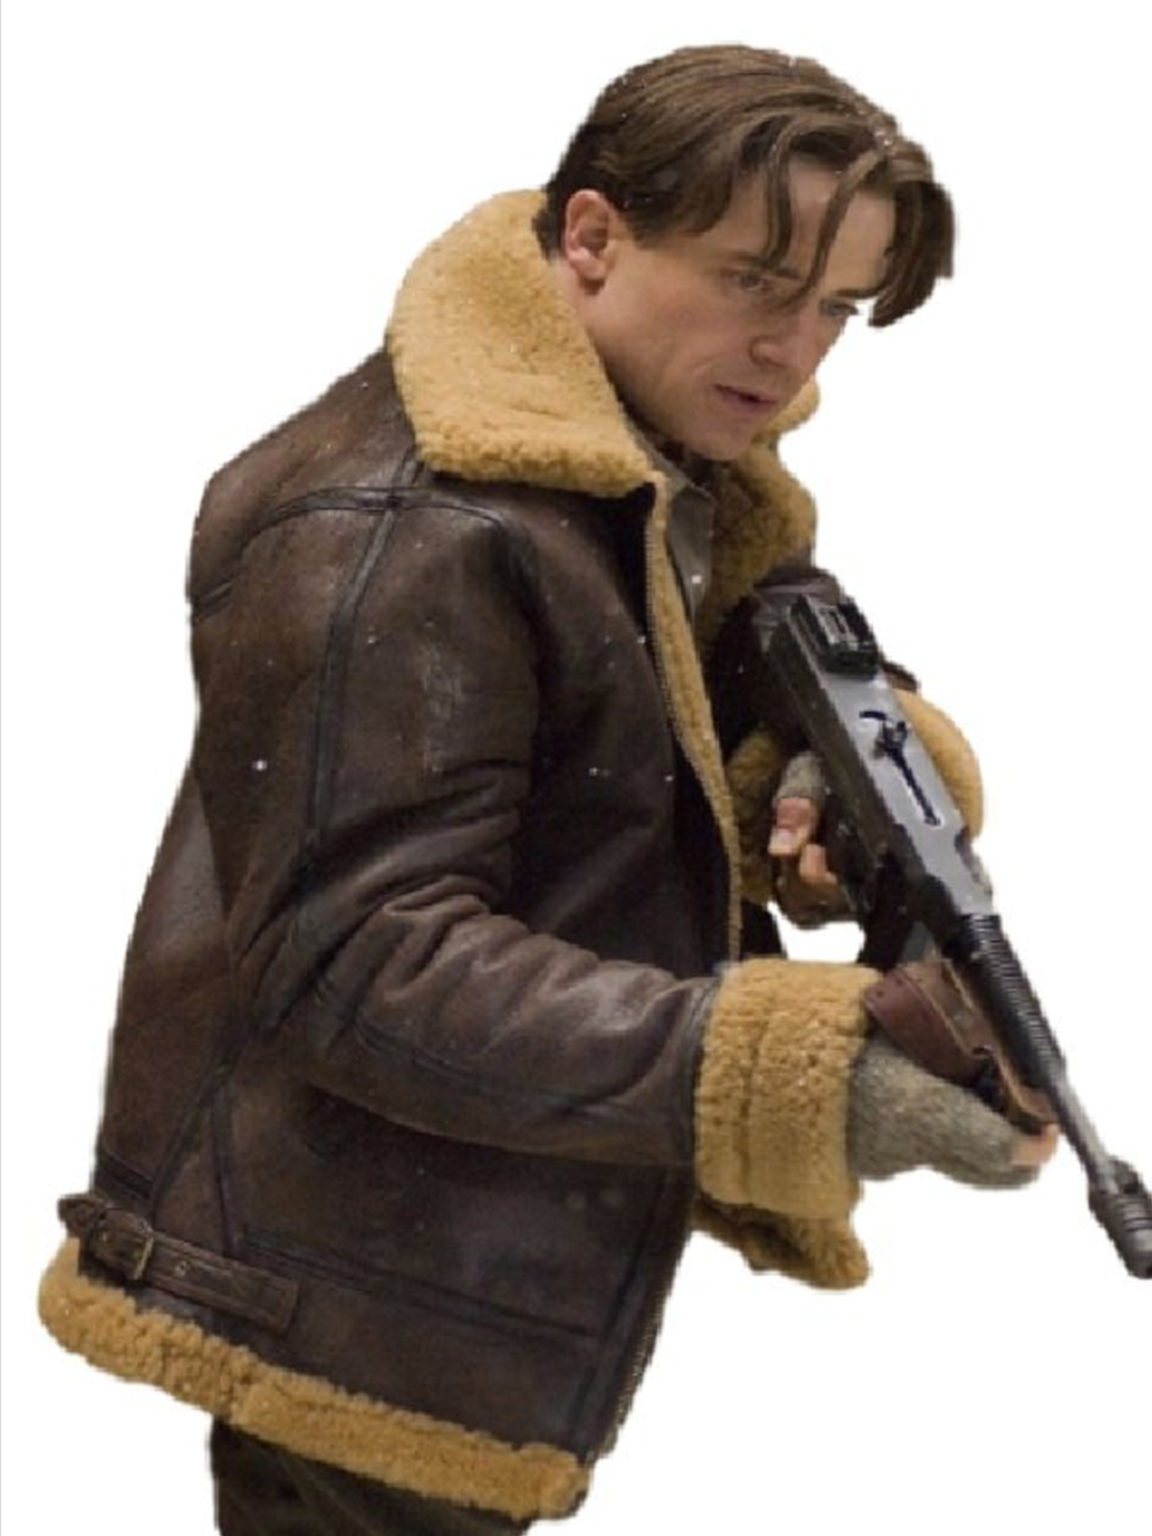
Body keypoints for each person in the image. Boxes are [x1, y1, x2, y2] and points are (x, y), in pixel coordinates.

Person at [38, 44, 1056, 1535]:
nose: (796, 352)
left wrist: (810, 770)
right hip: (352, 1301)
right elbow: (358, 964)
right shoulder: (412, 528)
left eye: (837, 307)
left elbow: (660, 677)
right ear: (590, 237)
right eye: (756, 281)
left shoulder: (631, 458)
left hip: (449, 1257)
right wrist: (795, 1069)